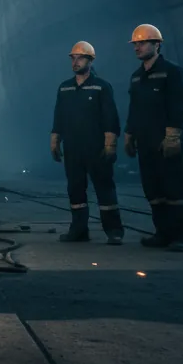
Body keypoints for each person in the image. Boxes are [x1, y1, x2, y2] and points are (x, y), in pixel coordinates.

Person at [124, 24, 183, 251]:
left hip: (167, 141)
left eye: (142, 43)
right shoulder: (136, 77)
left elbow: (182, 105)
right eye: (135, 44)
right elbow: (134, 109)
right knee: (154, 190)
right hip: (145, 142)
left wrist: (174, 134)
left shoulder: (172, 71)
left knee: (176, 188)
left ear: (157, 45)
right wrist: (129, 134)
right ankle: (163, 233)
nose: (137, 47)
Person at [51, 41, 124, 244]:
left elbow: (110, 116)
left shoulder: (101, 87)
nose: (75, 62)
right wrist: (55, 138)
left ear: (90, 60)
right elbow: (59, 116)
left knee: (104, 187)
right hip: (73, 148)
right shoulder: (64, 88)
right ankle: (79, 230)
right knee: (75, 188)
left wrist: (110, 142)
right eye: (73, 58)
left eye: (80, 58)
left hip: (96, 147)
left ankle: (114, 231)